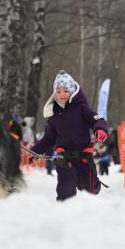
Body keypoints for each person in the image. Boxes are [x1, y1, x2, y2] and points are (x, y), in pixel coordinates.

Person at [30, 70, 108, 201]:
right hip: (64, 157)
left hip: (83, 155)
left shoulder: (82, 107)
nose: (62, 94)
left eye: (66, 91)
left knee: (88, 189)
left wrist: (100, 129)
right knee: (65, 189)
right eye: (58, 91)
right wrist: (34, 152)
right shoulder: (54, 114)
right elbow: (49, 138)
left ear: (72, 91)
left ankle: (94, 187)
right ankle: (64, 209)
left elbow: (97, 119)